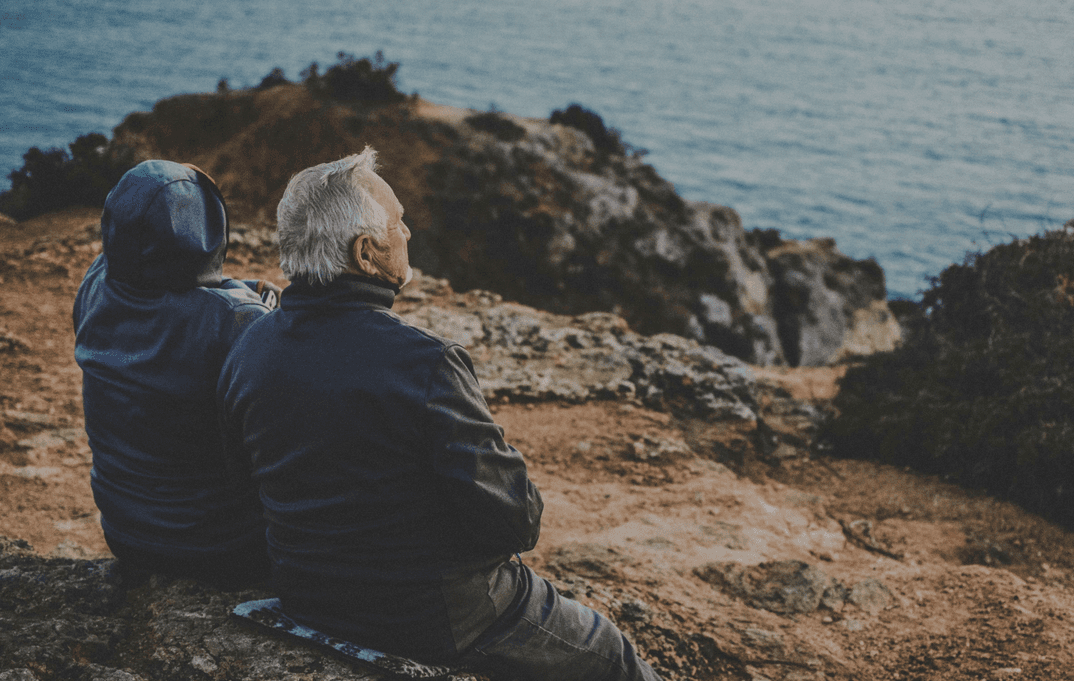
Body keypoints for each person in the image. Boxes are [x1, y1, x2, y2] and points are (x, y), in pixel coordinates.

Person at [218, 149, 662, 680]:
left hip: (305, 595)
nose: (409, 233)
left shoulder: (249, 347)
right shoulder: (424, 364)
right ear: (366, 253)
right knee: (611, 652)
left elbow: (242, 479)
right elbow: (515, 522)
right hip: (435, 617)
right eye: (400, 223)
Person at [74, 160, 278, 588]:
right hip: (223, 548)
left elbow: (169, 292)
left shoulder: (95, 284)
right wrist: (258, 304)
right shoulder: (237, 322)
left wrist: (235, 291)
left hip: (125, 532)